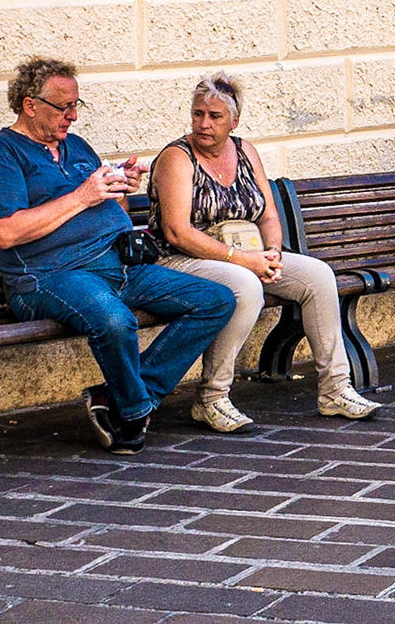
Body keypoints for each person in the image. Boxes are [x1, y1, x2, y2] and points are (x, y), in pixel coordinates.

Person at [0, 58, 233, 454]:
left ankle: (119, 398)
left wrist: (121, 188)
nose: (72, 116)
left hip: (118, 266)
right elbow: (6, 233)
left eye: (77, 105)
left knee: (215, 300)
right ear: (30, 105)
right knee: (114, 320)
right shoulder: (1, 155)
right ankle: (135, 410)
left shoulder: (76, 147)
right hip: (50, 277)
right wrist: (81, 196)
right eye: (63, 107)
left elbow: (113, 212)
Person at [149, 72, 382, 432]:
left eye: (215, 117)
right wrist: (243, 261)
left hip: (248, 253)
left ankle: (335, 389)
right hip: (184, 260)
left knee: (318, 276)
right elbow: (177, 232)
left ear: (234, 121)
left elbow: (269, 215)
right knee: (245, 285)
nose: (203, 124)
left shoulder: (245, 151)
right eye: (198, 114)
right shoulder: (176, 158)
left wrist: (271, 255)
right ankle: (211, 398)